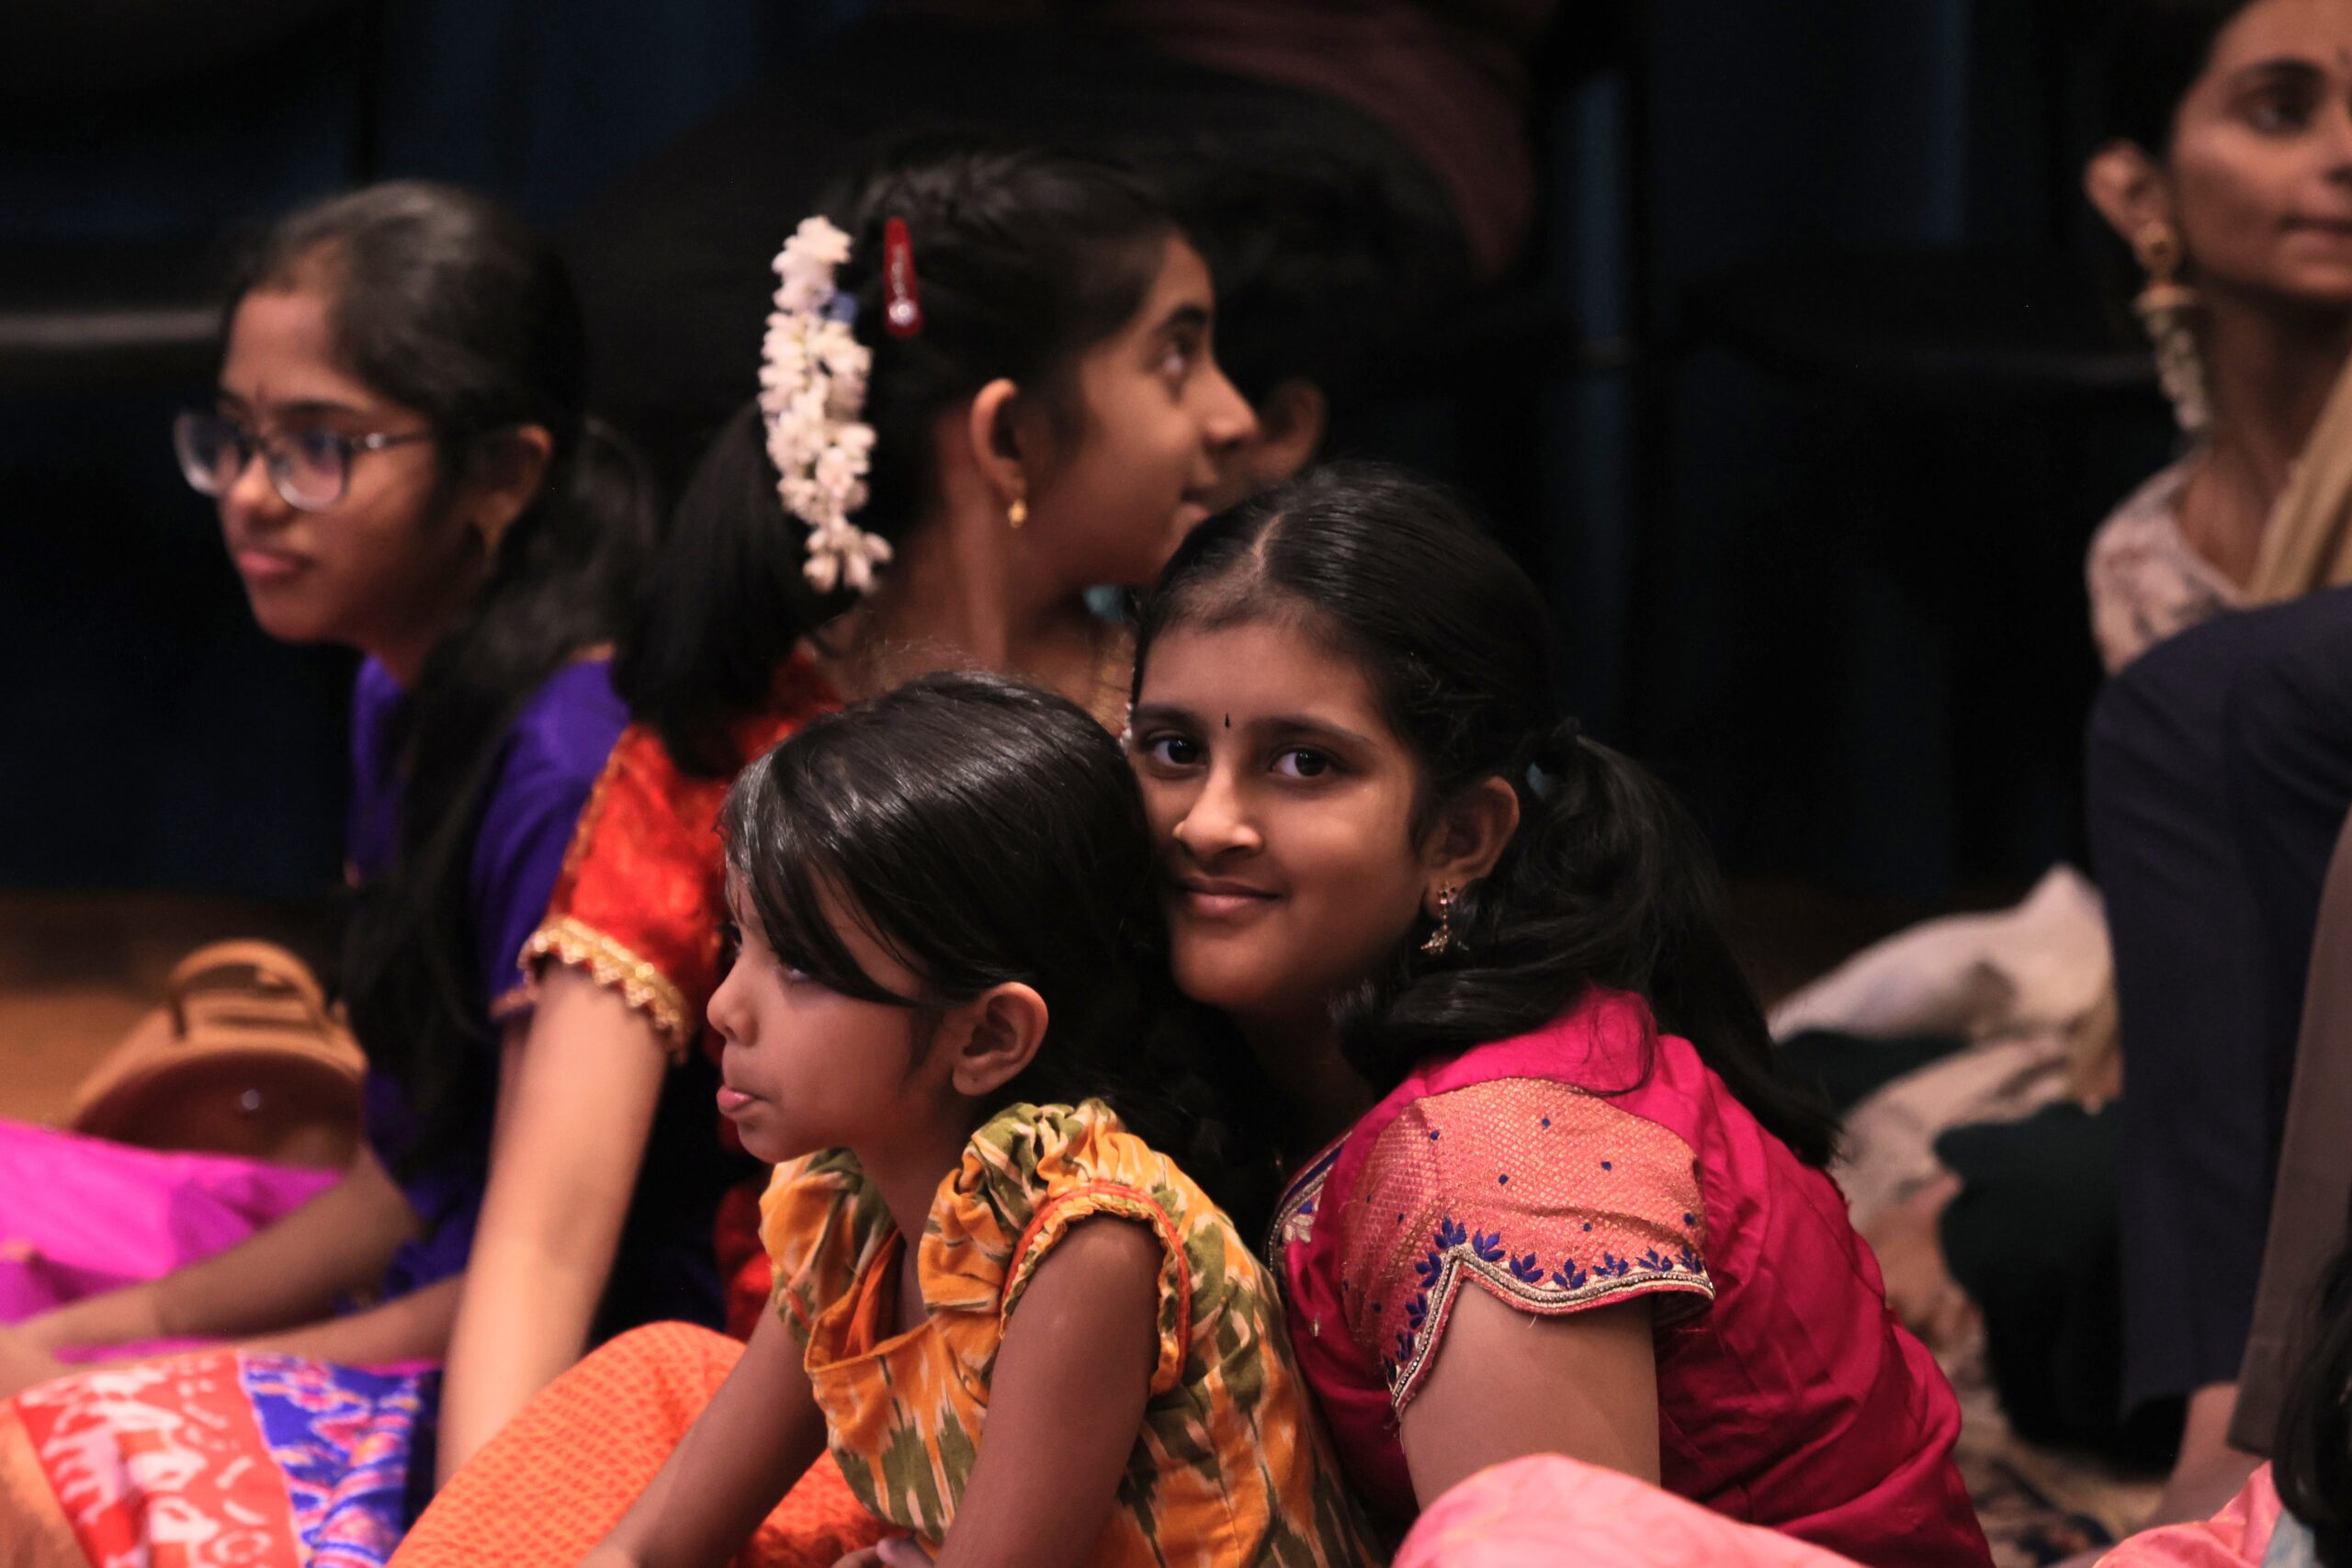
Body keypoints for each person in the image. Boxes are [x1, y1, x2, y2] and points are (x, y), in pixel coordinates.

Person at [433, 135, 1258, 1495]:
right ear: (1008, 436)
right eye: (1176, 357)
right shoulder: (725, 749)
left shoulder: (1198, 735)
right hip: (814, 1439)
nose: (1232, 416)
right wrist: (493, 1514)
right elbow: (540, 1242)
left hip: (1164, 1456)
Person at [1122, 463, 1993, 1564]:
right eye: (1173, 750)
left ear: (1459, 838)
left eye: (1304, 764)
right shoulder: (1282, 1046)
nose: (1207, 823)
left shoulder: (1496, 1172)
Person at [0, 181, 665, 1554]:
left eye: (319, 446)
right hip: (417, 1277)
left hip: (539, 1359)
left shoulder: (572, 768)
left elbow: (531, 1274)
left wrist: (127, 1373)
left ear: (503, 475)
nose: (253, 492)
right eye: (236, 438)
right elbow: (397, 1181)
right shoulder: (397, 689)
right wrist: (104, 1331)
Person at [394, 674, 1374, 1567]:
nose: (726, 1008)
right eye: (740, 941)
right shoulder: (847, 1202)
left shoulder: (1088, 1244)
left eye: (801, 968)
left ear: (987, 1035)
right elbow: (652, 1547)